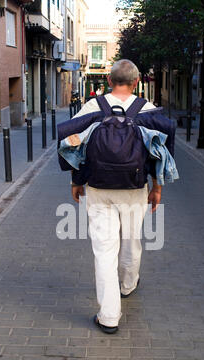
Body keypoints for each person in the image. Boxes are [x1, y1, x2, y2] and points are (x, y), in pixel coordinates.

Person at [67, 60, 168, 334]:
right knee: (131, 239)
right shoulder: (147, 110)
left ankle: (109, 316)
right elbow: (159, 153)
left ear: (109, 81)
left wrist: (77, 181)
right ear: (136, 82)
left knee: (104, 250)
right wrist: (157, 187)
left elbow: (75, 145)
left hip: (99, 188)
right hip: (135, 188)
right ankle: (127, 284)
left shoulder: (92, 107)